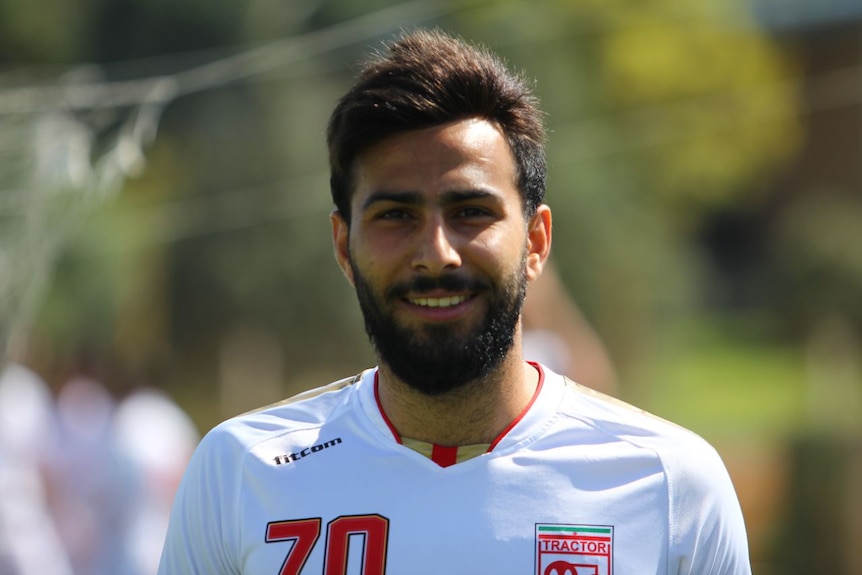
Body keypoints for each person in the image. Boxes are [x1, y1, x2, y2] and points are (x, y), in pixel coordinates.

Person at [159, 29, 751, 574]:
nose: (437, 253)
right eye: (396, 215)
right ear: (344, 246)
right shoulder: (240, 471)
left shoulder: (672, 485)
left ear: (536, 242)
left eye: (471, 211)